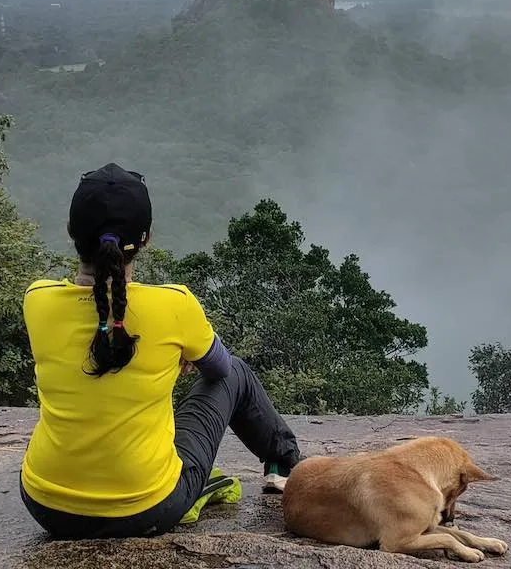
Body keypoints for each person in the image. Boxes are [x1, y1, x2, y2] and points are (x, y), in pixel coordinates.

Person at [17, 162, 305, 540]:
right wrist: (174, 358)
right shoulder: (174, 305)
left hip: (47, 506)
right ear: (147, 238)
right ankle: (285, 468)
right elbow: (219, 371)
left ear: (72, 232)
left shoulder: (37, 300)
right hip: (147, 508)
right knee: (236, 371)